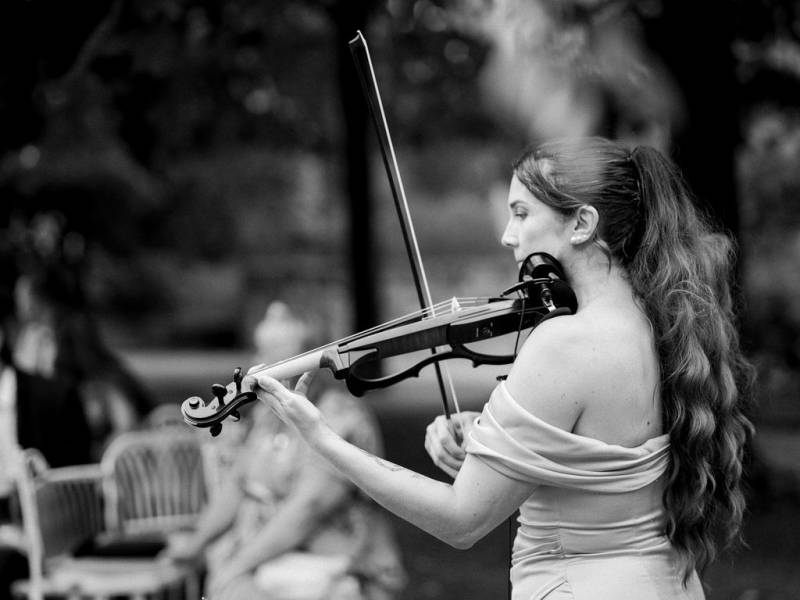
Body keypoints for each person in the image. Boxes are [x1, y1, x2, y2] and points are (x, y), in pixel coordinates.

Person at [244, 137, 755, 599]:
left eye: (521, 213)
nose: (508, 236)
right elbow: (596, 472)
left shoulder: (565, 342)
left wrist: (324, 439)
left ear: (581, 223)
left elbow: (461, 520)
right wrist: (495, 444)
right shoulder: (664, 325)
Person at [162, 301, 406, 600]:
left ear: (305, 361)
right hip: (276, 562)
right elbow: (238, 483)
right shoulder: (270, 413)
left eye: (271, 355)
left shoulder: (340, 417)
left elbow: (306, 510)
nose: (258, 362)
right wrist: (194, 546)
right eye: (259, 350)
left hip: (337, 567)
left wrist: (236, 567)